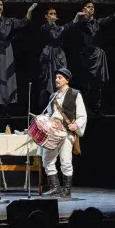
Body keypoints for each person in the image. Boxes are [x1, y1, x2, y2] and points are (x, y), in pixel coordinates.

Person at [39, 68, 87, 198]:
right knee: (47, 159)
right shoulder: (53, 96)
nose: (56, 79)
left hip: (66, 132)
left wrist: (75, 125)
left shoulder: (75, 94)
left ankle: (67, 190)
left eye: (59, 77)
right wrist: (43, 120)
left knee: (65, 161)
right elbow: (49, 114)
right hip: (53, 132)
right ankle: (55, 188)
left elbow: (82, 115)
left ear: (67, 80)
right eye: (56, 77)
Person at [0, 0, 36, 116]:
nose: (0, 6)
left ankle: (8, 107)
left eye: (1, 4)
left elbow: (23, 22)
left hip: (7, 51)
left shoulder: (9, 21)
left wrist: (29, 12)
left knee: (9, 78)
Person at [73, 1, 115, 116]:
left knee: (98, 83)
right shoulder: (81, 23)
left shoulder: (97, 22)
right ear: (84, 9)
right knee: (86, 84)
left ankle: (97, 107)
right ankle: (86, 108)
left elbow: (107, 20)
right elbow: (73, 27)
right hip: (86, 55)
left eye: (93, 7)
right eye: (89, 7)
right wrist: (80, 17)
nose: (91, 9)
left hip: (97, 55)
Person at [38, 7, 87, 111]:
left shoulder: (59, 28)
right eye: (51, 14)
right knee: (47, 81)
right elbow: (46, 31)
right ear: (46, 16)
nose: (53, 15)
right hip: (48, 55)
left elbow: (70, 25)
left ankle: (60, 107)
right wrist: (50, 22)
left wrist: (77, 16)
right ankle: (45, 108)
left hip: (59, 56)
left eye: (55, 14)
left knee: (61, 79)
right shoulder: (44, 27)